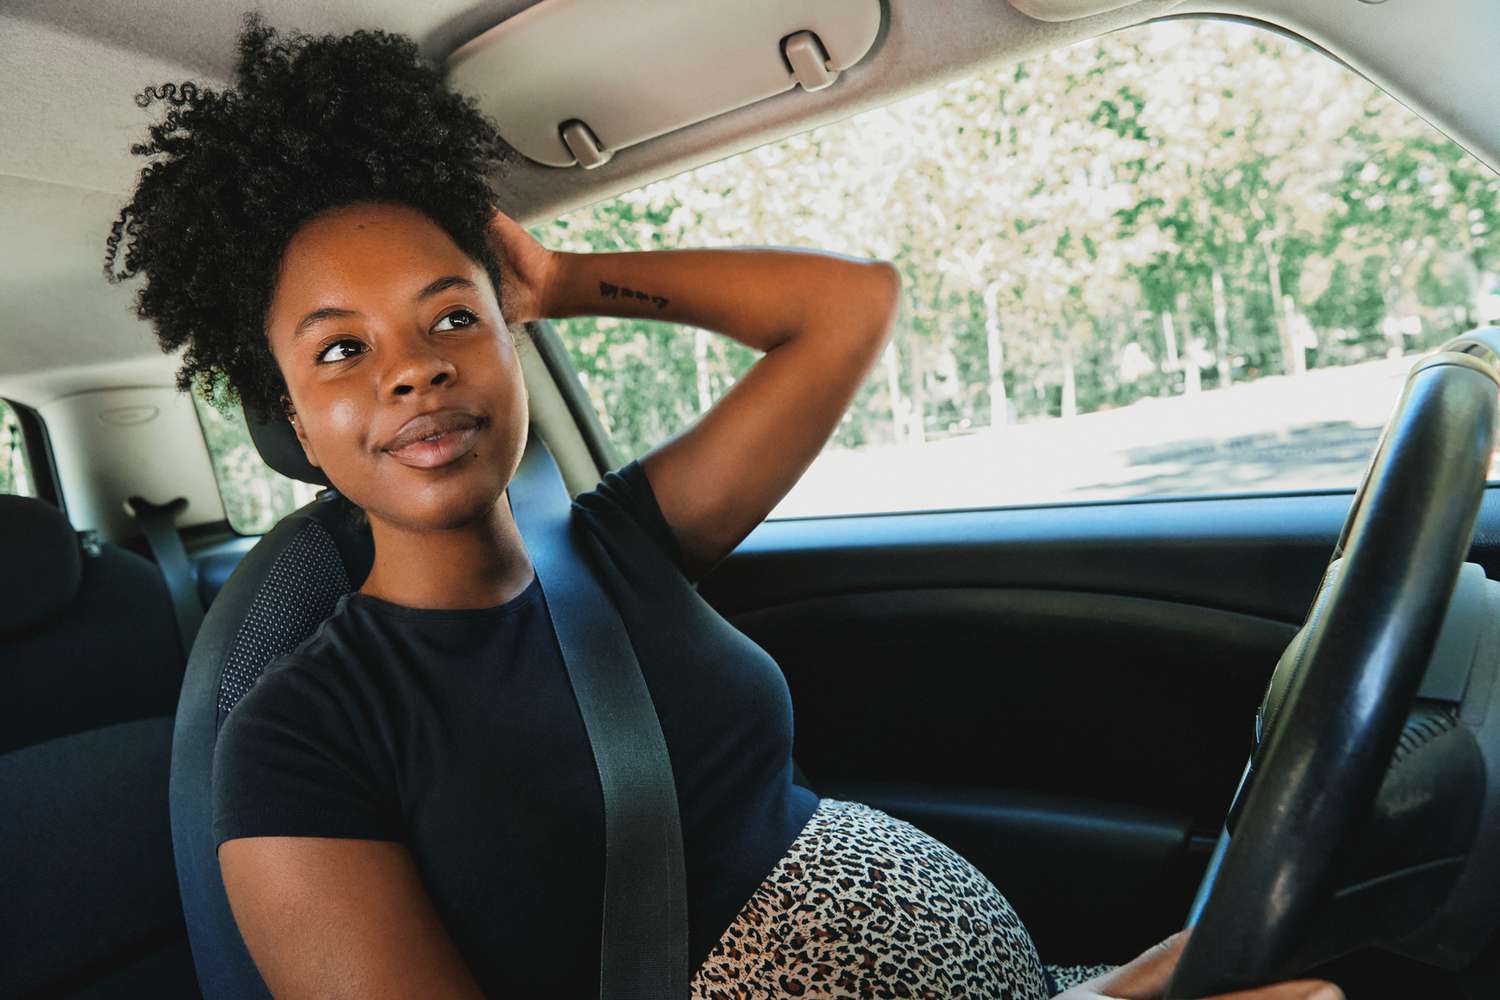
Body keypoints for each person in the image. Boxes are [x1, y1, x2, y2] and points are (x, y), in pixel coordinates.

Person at [105, 13, 1343, 1000]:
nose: (414, 368)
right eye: (340, 352)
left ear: (506, 337)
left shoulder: (618, 550)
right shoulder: (291, 741)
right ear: (288, 416)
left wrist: (568, 278)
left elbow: (847, 309)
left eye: (451, 317)